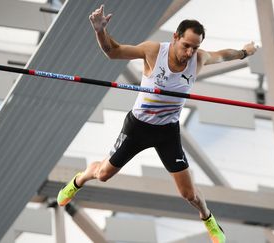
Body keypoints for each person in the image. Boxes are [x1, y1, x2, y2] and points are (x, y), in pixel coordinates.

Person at [58, 4, 257, 243]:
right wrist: (100, 30)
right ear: (175, 37)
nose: (190, 52)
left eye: (195, 47)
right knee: (102, 175)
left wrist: (244, 52)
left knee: (189, 194)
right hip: (138, 127)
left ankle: (208, 218)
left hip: (167, 132)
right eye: (186, 45)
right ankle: (79, 180)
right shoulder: (154, 52)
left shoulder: (198, 59)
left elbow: (225, 55)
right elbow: (114, 52)